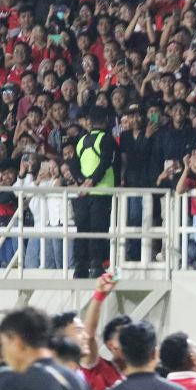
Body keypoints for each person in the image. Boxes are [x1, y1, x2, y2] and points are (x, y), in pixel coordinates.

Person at [73, 105, 120, 278]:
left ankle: (80, 267)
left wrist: (81, 181)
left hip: (83, 193)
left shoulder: (81, 140)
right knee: (98, 229)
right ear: (106, 121)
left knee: (82, 229)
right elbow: (106, 162)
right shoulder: (108, 140)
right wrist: (92, 181)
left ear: (89, 122)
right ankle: (97, 265)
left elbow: (73, 165)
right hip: (102, 192)